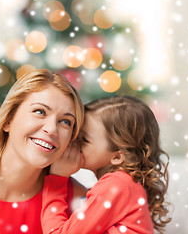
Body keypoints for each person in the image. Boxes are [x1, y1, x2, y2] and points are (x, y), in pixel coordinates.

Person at [0, 69, 86, 234]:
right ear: (8, 119)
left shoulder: (77, 200)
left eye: (66, 122)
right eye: (40, 112)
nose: (52, 129)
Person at [41, 95, 171, 234]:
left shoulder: (116, 185)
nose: (73, 141)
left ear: (117, 156)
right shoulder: (124, 185)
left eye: (84, 139)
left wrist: (57, 179)